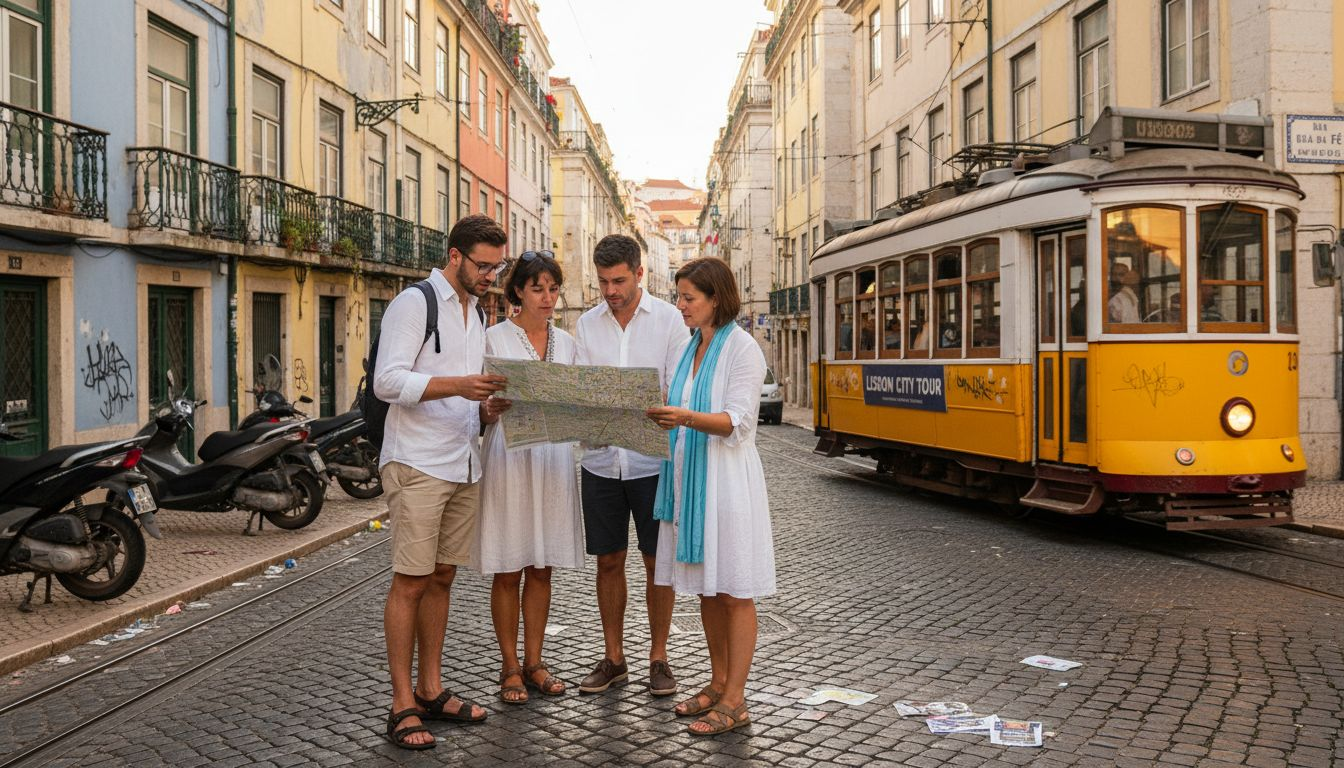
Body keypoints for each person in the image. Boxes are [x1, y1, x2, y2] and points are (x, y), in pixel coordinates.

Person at [373, 214, 510, 750]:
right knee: (410, 580)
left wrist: (487, 410)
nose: (489, 276)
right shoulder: (415, 303)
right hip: (418, 463)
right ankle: (402, 704)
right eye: (483, 266)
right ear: (455, 255)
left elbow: (467, 398)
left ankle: (431, 689)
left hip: (462, 458)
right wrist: (460, 385)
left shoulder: (476, 314)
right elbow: (388, 380)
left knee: (443, 578)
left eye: (496, 268)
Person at [646, 257, 775, 736]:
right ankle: (718, 682)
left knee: (736, 591)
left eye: (688, 298)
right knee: (708, 588)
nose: (679, 305)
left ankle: (736, 699)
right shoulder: (689, 349)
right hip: (690, 483)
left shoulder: (743, 349)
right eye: (678, 296)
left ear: (715, 299)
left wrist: (682, 417)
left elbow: (737, 420)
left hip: (727, 483)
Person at [574, 233, 687, 698]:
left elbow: (678, 389)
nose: (610, 291)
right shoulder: (586, 324)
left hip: (651, 461)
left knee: (657, 563)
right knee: (608, 560)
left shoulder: (668, 321)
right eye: (603, 282)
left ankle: (658, 658)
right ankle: (614, 657)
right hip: (600, 460)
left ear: (640, 274)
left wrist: (658, 404)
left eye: (618, 280)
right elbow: (581, 387)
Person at [475, 251, 583, 704]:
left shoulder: (571, 345)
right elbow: (475, 408)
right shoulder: (493, 339)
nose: (547, 297)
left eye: (553, 288)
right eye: (537, 287)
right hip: (510, 459)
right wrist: (488, 410)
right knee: (508, 566)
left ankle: (535, 662)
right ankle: (510, 667)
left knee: (542, 566)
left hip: (553, 461)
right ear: (517, 290)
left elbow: (579, 402)